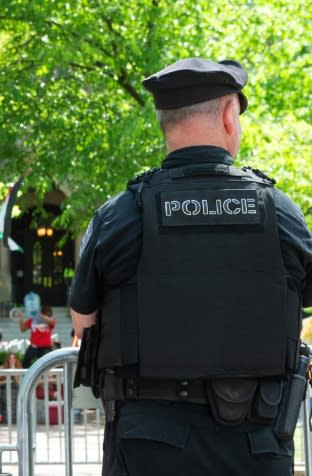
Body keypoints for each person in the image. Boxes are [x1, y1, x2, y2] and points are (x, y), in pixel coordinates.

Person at [69, 58, 312, 476]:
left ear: (165, 122)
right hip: (255, 444)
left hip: (148, 445)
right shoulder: (279, 212)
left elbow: (82, 322)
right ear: (229, 114)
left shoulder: (121, 213)